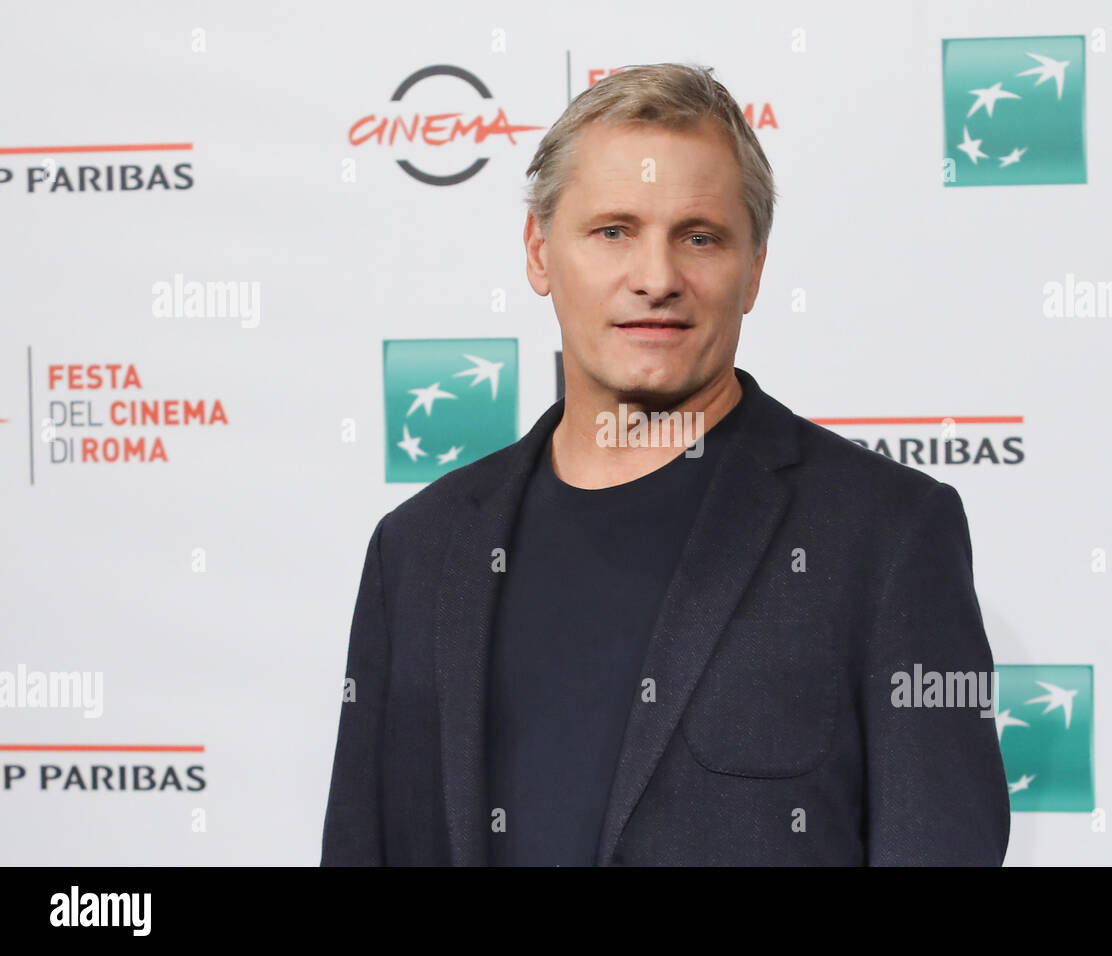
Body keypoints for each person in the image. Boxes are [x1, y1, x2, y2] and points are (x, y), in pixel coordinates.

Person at [322, 62, 1009, 866]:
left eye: (701, 237)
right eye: (613, 231)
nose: (656, 280)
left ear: (753, 269)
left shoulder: (884, 536)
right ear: (540, 253)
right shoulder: (419, 549)